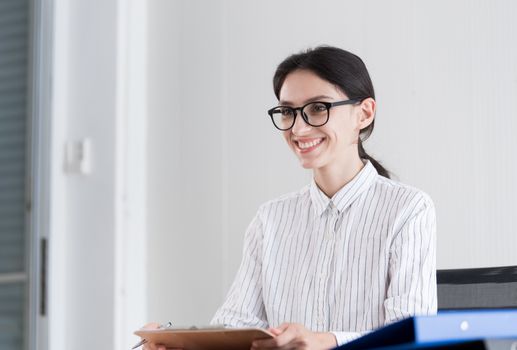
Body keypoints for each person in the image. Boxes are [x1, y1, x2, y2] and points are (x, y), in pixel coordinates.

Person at [143, 46, 437, 350]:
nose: (298, 127)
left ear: (363, 113)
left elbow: (410, 335)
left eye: (318, 108)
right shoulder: (270, 220)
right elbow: (237, 326)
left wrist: (327, 342)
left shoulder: (408, 209)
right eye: (287, 111)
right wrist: (182, 345)